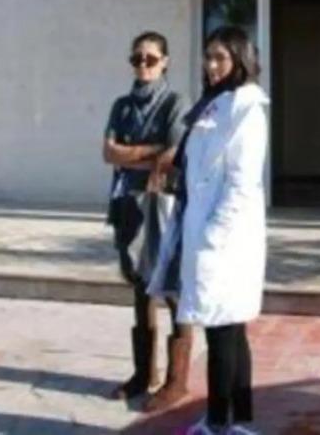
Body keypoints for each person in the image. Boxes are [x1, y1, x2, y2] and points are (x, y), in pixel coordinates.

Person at [149, 25, 269, 435]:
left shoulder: (246, 110)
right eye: (208, 57)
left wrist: (214, 236)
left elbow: (242, 182)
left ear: (240, 59)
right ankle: (238, 422)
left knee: (222, 331)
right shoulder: (214, 104)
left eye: (220, 57)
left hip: (224, 239)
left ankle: (219, 423)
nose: (212, 65)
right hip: (203, 228)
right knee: (229, 328)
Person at [103, 31, 193, 411]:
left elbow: (173, 154)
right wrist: (148, 154)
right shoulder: (121, 106)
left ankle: (177, 380)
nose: (143, 65)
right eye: (137, 58)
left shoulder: (176, 103)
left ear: (165, 62)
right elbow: (108, 153)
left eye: (151, 59)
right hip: (128, 203)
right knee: (140, 287)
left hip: (164, 204)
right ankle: (144, 374)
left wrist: (132, 154)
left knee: (171, 288)